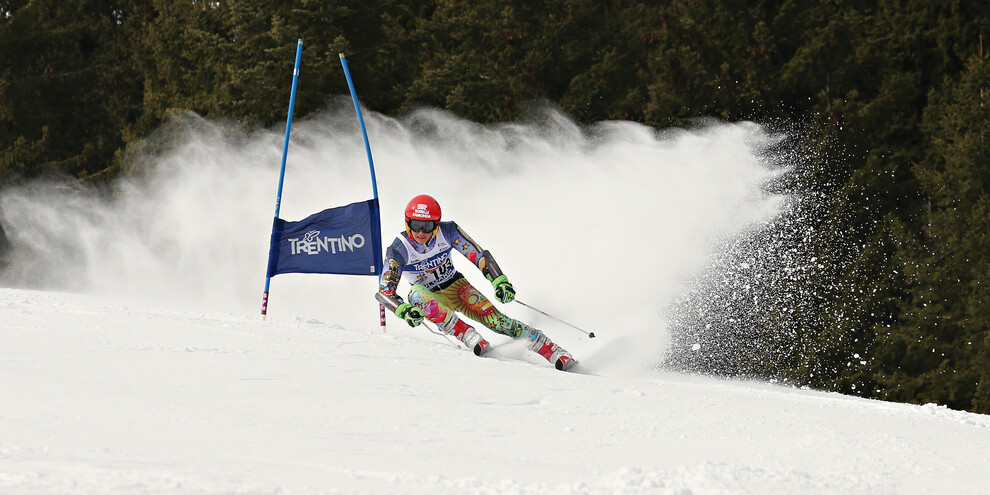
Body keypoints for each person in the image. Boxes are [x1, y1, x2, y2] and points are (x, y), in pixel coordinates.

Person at [375, 194, 575, 370]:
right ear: (407, 223)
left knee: (498, 322)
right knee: (416, 294)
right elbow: (385, 292)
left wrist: (499, 281)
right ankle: (468, 336)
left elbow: (479, 255)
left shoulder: (449, 231)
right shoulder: (399, 249)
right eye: (415, 225)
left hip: (456, 287)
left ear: (436, 225)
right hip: (431, 297)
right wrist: (404, 310)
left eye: (426, 226)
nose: (421, 232)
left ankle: (554, 351)